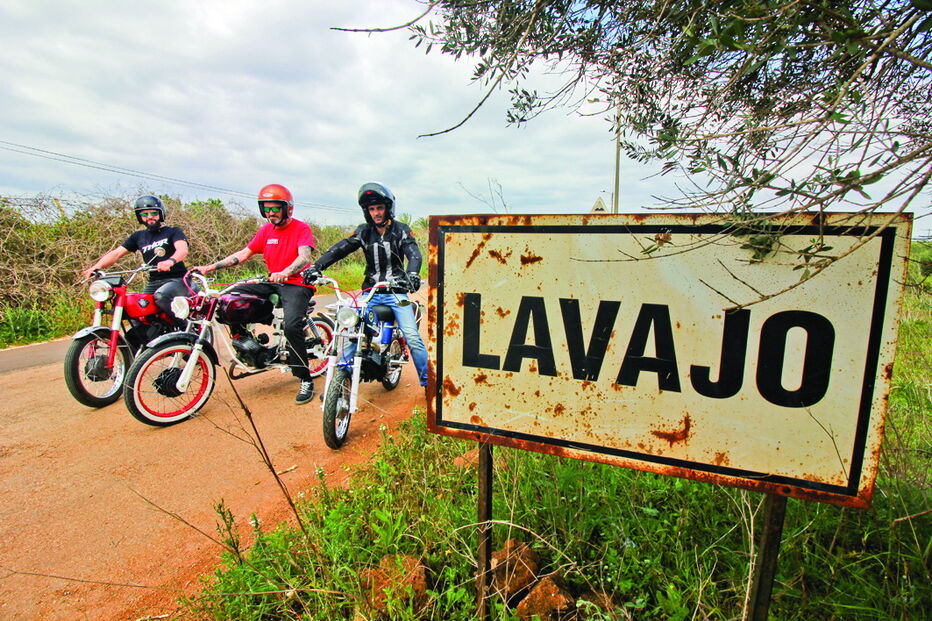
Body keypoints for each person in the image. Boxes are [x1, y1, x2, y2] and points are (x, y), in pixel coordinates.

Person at [192, 184, 317, 405]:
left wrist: (287, 271)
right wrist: (209, 268)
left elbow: (304, 256)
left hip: (297, 283)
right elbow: (243, 254)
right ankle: (246, 344)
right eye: (266, 208)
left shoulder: (301, 228)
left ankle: (305, 378)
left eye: (275, 208)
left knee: (291, 326)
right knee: (229, 297)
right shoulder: (265, 231)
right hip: (272, 281)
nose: (270, 213)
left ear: (287, 208)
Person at [303, 182, 428, 394]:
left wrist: (413, 274)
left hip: (397, 293)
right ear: (366, 212)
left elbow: (414, 254)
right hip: (369, 293)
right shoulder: (363, 232)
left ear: (388, 208)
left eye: (379, 208)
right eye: (371, 209)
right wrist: (316, 267)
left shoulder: (402, 230)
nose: (376, 213)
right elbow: (340, 249)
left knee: (413, 337)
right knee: (351, 330)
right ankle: (338, 384)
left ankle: (428, 384)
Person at [82, 195, 190, 316]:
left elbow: (182, 250)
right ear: (139, 217)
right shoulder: (138, 236)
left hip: (178, 279)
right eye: (144, 214)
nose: (149, 217)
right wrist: (96, 267)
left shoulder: (173, 231)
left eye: (153, 213)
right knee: (135, 307)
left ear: (161, 213)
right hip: (154, 281)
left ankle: (184, 328)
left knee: (161, 296)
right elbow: (117, 253)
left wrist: (170, 261)